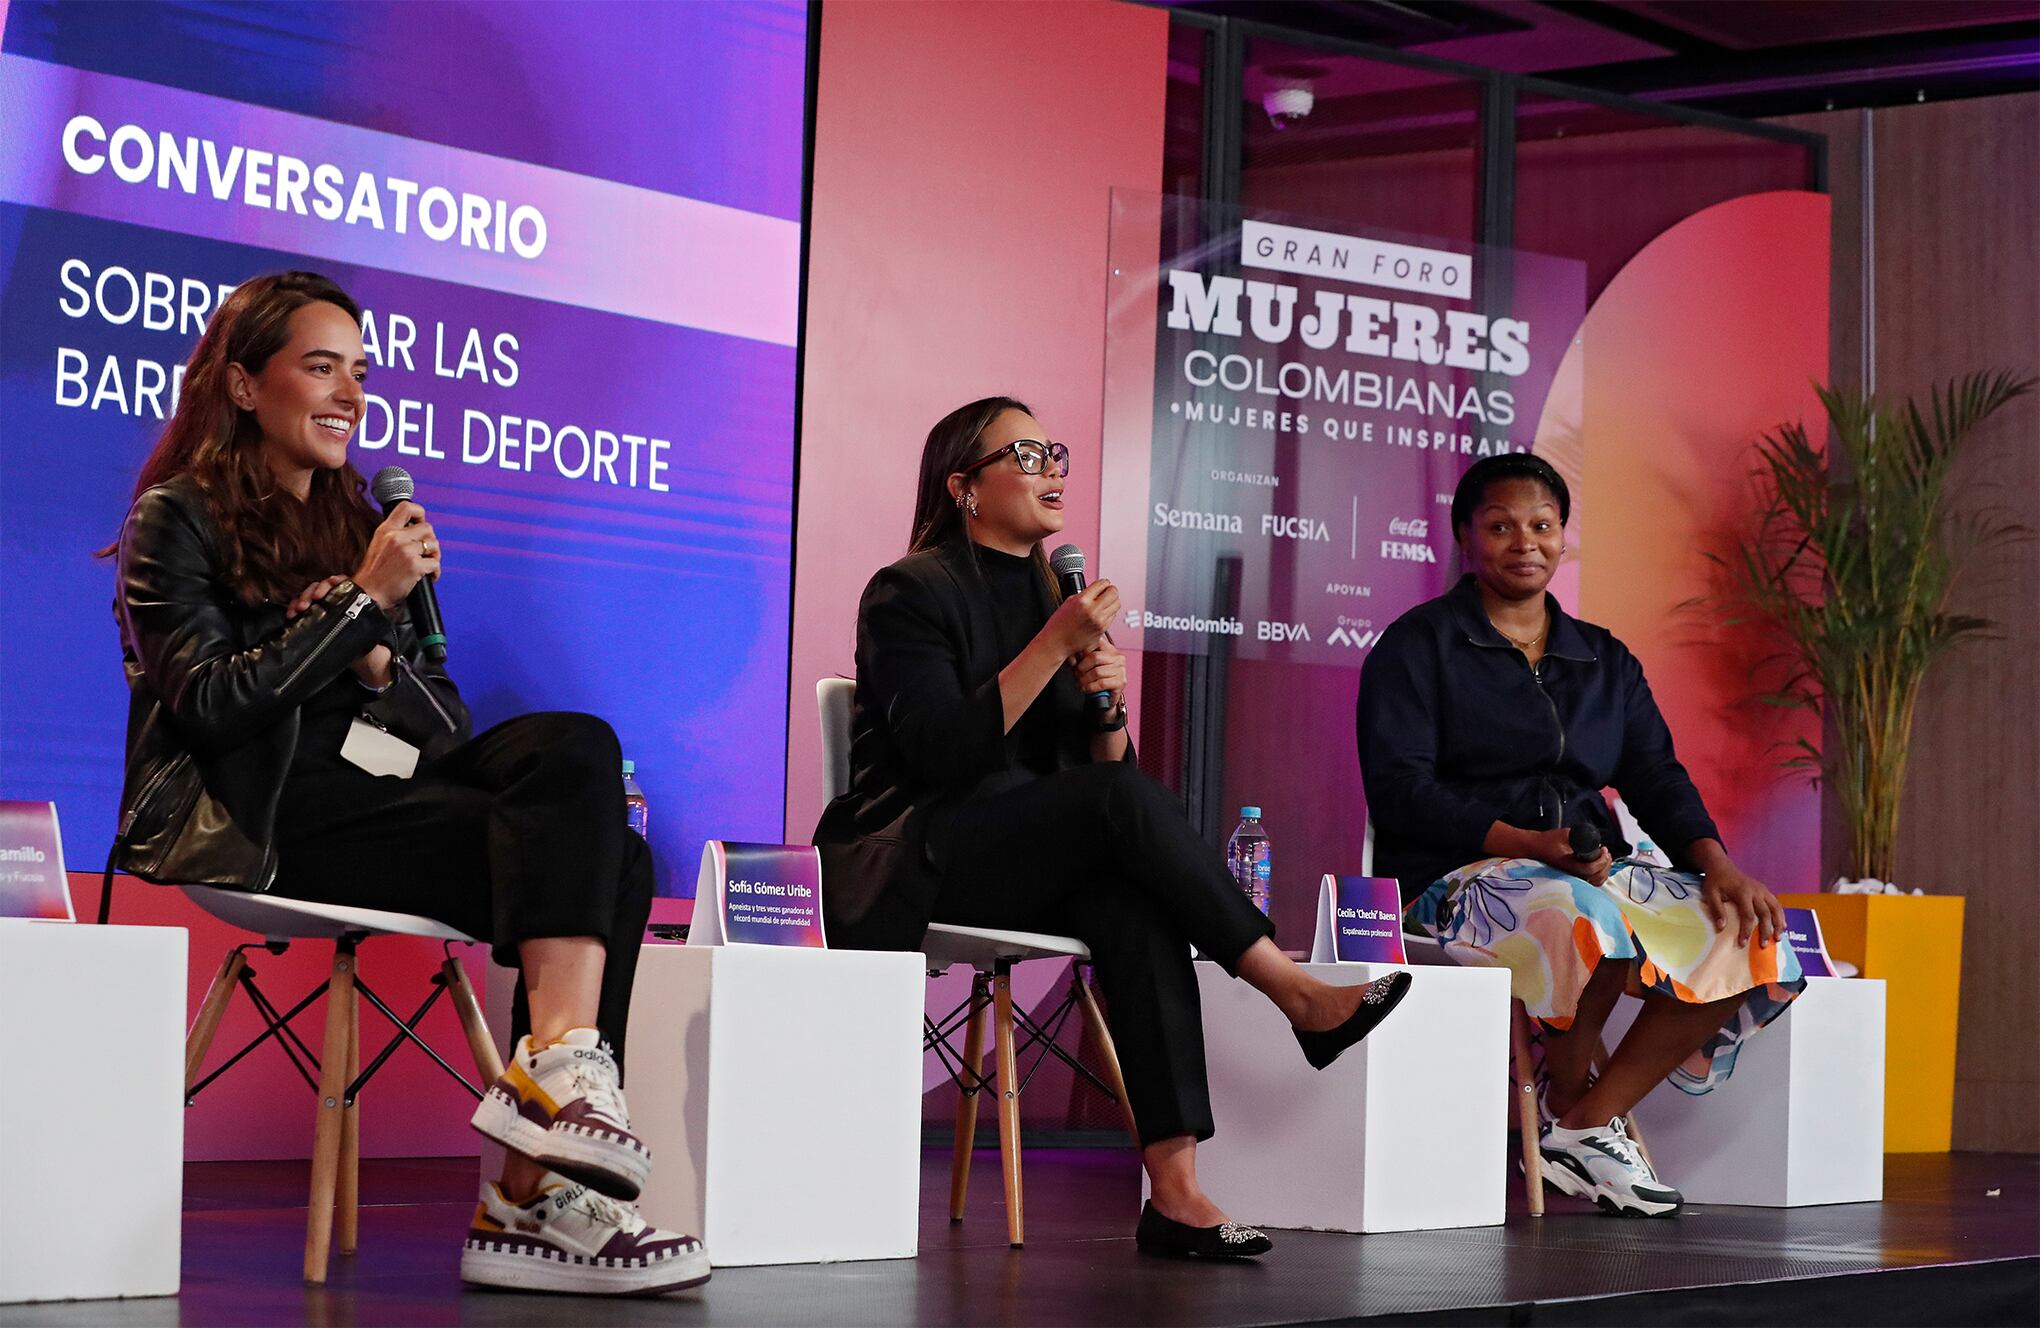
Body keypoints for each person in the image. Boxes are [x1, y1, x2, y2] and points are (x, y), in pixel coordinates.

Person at [108, 271, 708, 1296]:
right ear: (247, 386)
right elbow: (208, 705)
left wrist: (382, 658)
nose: (350, 393)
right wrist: (356, 609)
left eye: (361, 373)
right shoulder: (181, 517)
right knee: (610, 853)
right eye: (321, 366)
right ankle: (536, 1186)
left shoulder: (361, 528)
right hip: (268, 812)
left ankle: (553, 1081)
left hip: (379, 786)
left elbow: (444, 731)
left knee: (578, 756)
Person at [814, 395, 1412, 1259]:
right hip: (921, 849)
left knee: (1138, 905)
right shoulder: (910, 592)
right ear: (965, 488)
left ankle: (1175, 1194)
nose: (1053, 467)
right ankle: (1293, 991)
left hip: (1029, 850)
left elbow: (1109, 782)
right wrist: (1056, 648)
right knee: (1120, 813)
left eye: (1052, 450)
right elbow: (941, 754)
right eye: (1024, 454)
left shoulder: (1053, 594)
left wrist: (1106, 711)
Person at [1357, 452, 1805, 1218]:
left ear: (1564, 536)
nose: (1523, 541)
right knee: (1582, 919)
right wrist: (1527, 845)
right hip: (1454, 873)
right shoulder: (1416, 646)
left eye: (1542, 525)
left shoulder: (1603, 658)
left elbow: (1657, 776)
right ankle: (1572, 1097)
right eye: (1500, 526)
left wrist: (1717, 865)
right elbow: (1401, 794)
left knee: (1748, 933)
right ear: (1465, 535)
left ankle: (1585, 1125)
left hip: (1584, 861)